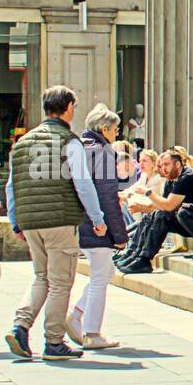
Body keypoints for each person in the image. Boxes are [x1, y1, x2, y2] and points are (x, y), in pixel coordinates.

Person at [3, 85, 108, 361]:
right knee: (61, 282)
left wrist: (16, 222)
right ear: (69, 108)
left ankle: (21, 326)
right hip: (60, 220)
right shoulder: (69, 141)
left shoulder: (23, 142)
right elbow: (83, 184)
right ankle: (53, 342)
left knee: (42, 277)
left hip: (30, 221)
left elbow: (11, 187)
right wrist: (97, 219)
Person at [67, 104, 130, 350]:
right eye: (115, 130)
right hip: (97, 223)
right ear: (104, 129)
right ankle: (90, 331)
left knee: (104, 272)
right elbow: (107, 195)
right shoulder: (103, 152)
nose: (116, 136)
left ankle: (78, 315)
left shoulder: (78, 147)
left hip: (79, 219)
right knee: (99, 277)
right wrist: (120, 233)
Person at [116, 150, 193, 272]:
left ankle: (144, 260)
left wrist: (148, 193)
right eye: (161, 165)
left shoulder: (186, 177)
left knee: (161, 215)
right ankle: (136, 254)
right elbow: (160, 205)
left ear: (177, 165)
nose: (163, 169)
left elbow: (168, 206)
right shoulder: (171, 180)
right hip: (187, 220)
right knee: (152, 216)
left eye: (167, 165)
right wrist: (144, 208)